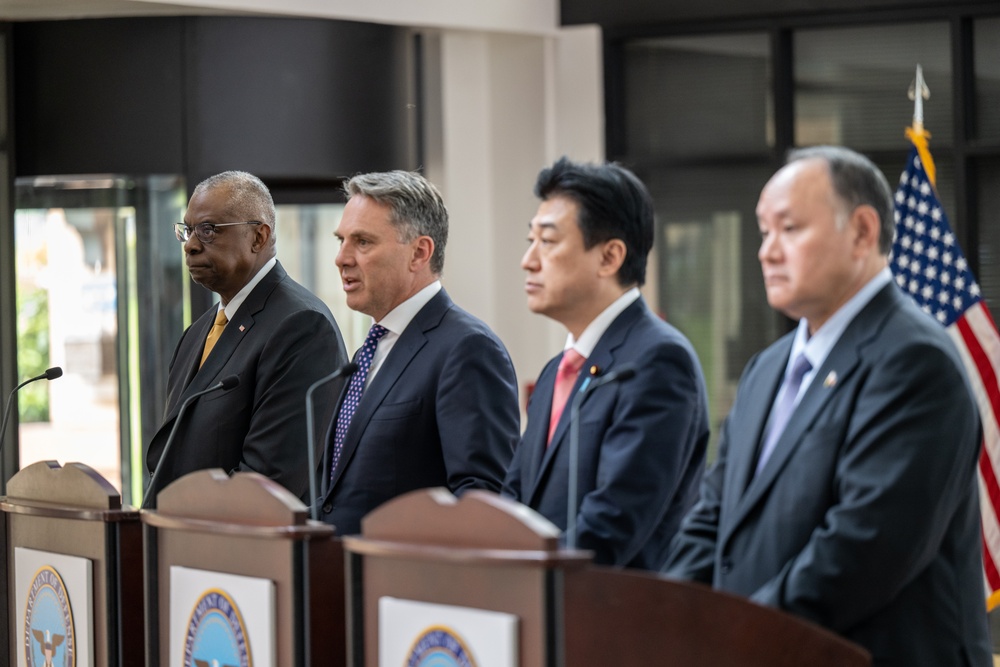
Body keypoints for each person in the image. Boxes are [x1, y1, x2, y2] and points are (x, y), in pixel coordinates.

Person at [661, 146, 991, 665]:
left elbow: (862, 551)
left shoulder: (915, 362)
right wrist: (669, 620)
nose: (767, 251)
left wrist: (732, 638)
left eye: (789, 229)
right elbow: (714, 518)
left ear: (862, 231)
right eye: (764, 232)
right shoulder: (765, 369)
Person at [502, 157, 710, 570]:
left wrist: (520, 575)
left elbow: (614, 521)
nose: (528, 260)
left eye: (547, 241)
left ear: (610, 257)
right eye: (531, 240)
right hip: (537, 607)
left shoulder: (658, 360)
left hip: (611, 614)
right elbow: (514, 496)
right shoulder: (555, 372)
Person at [317, 170, 519, 535]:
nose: (341, 258)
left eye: (362, 242)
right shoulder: (369, 349)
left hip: (406, 583)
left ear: (419, 253)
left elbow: (482, 500)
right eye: (341, 240)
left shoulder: (467, 348)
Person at [144, 171, 348, 508]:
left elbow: (268, 482)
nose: (192, 245)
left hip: (241, 551)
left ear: (258, 237)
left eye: (208, 230)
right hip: (177, 546)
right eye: (188, 230)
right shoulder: (198, 332)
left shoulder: (302, 326)